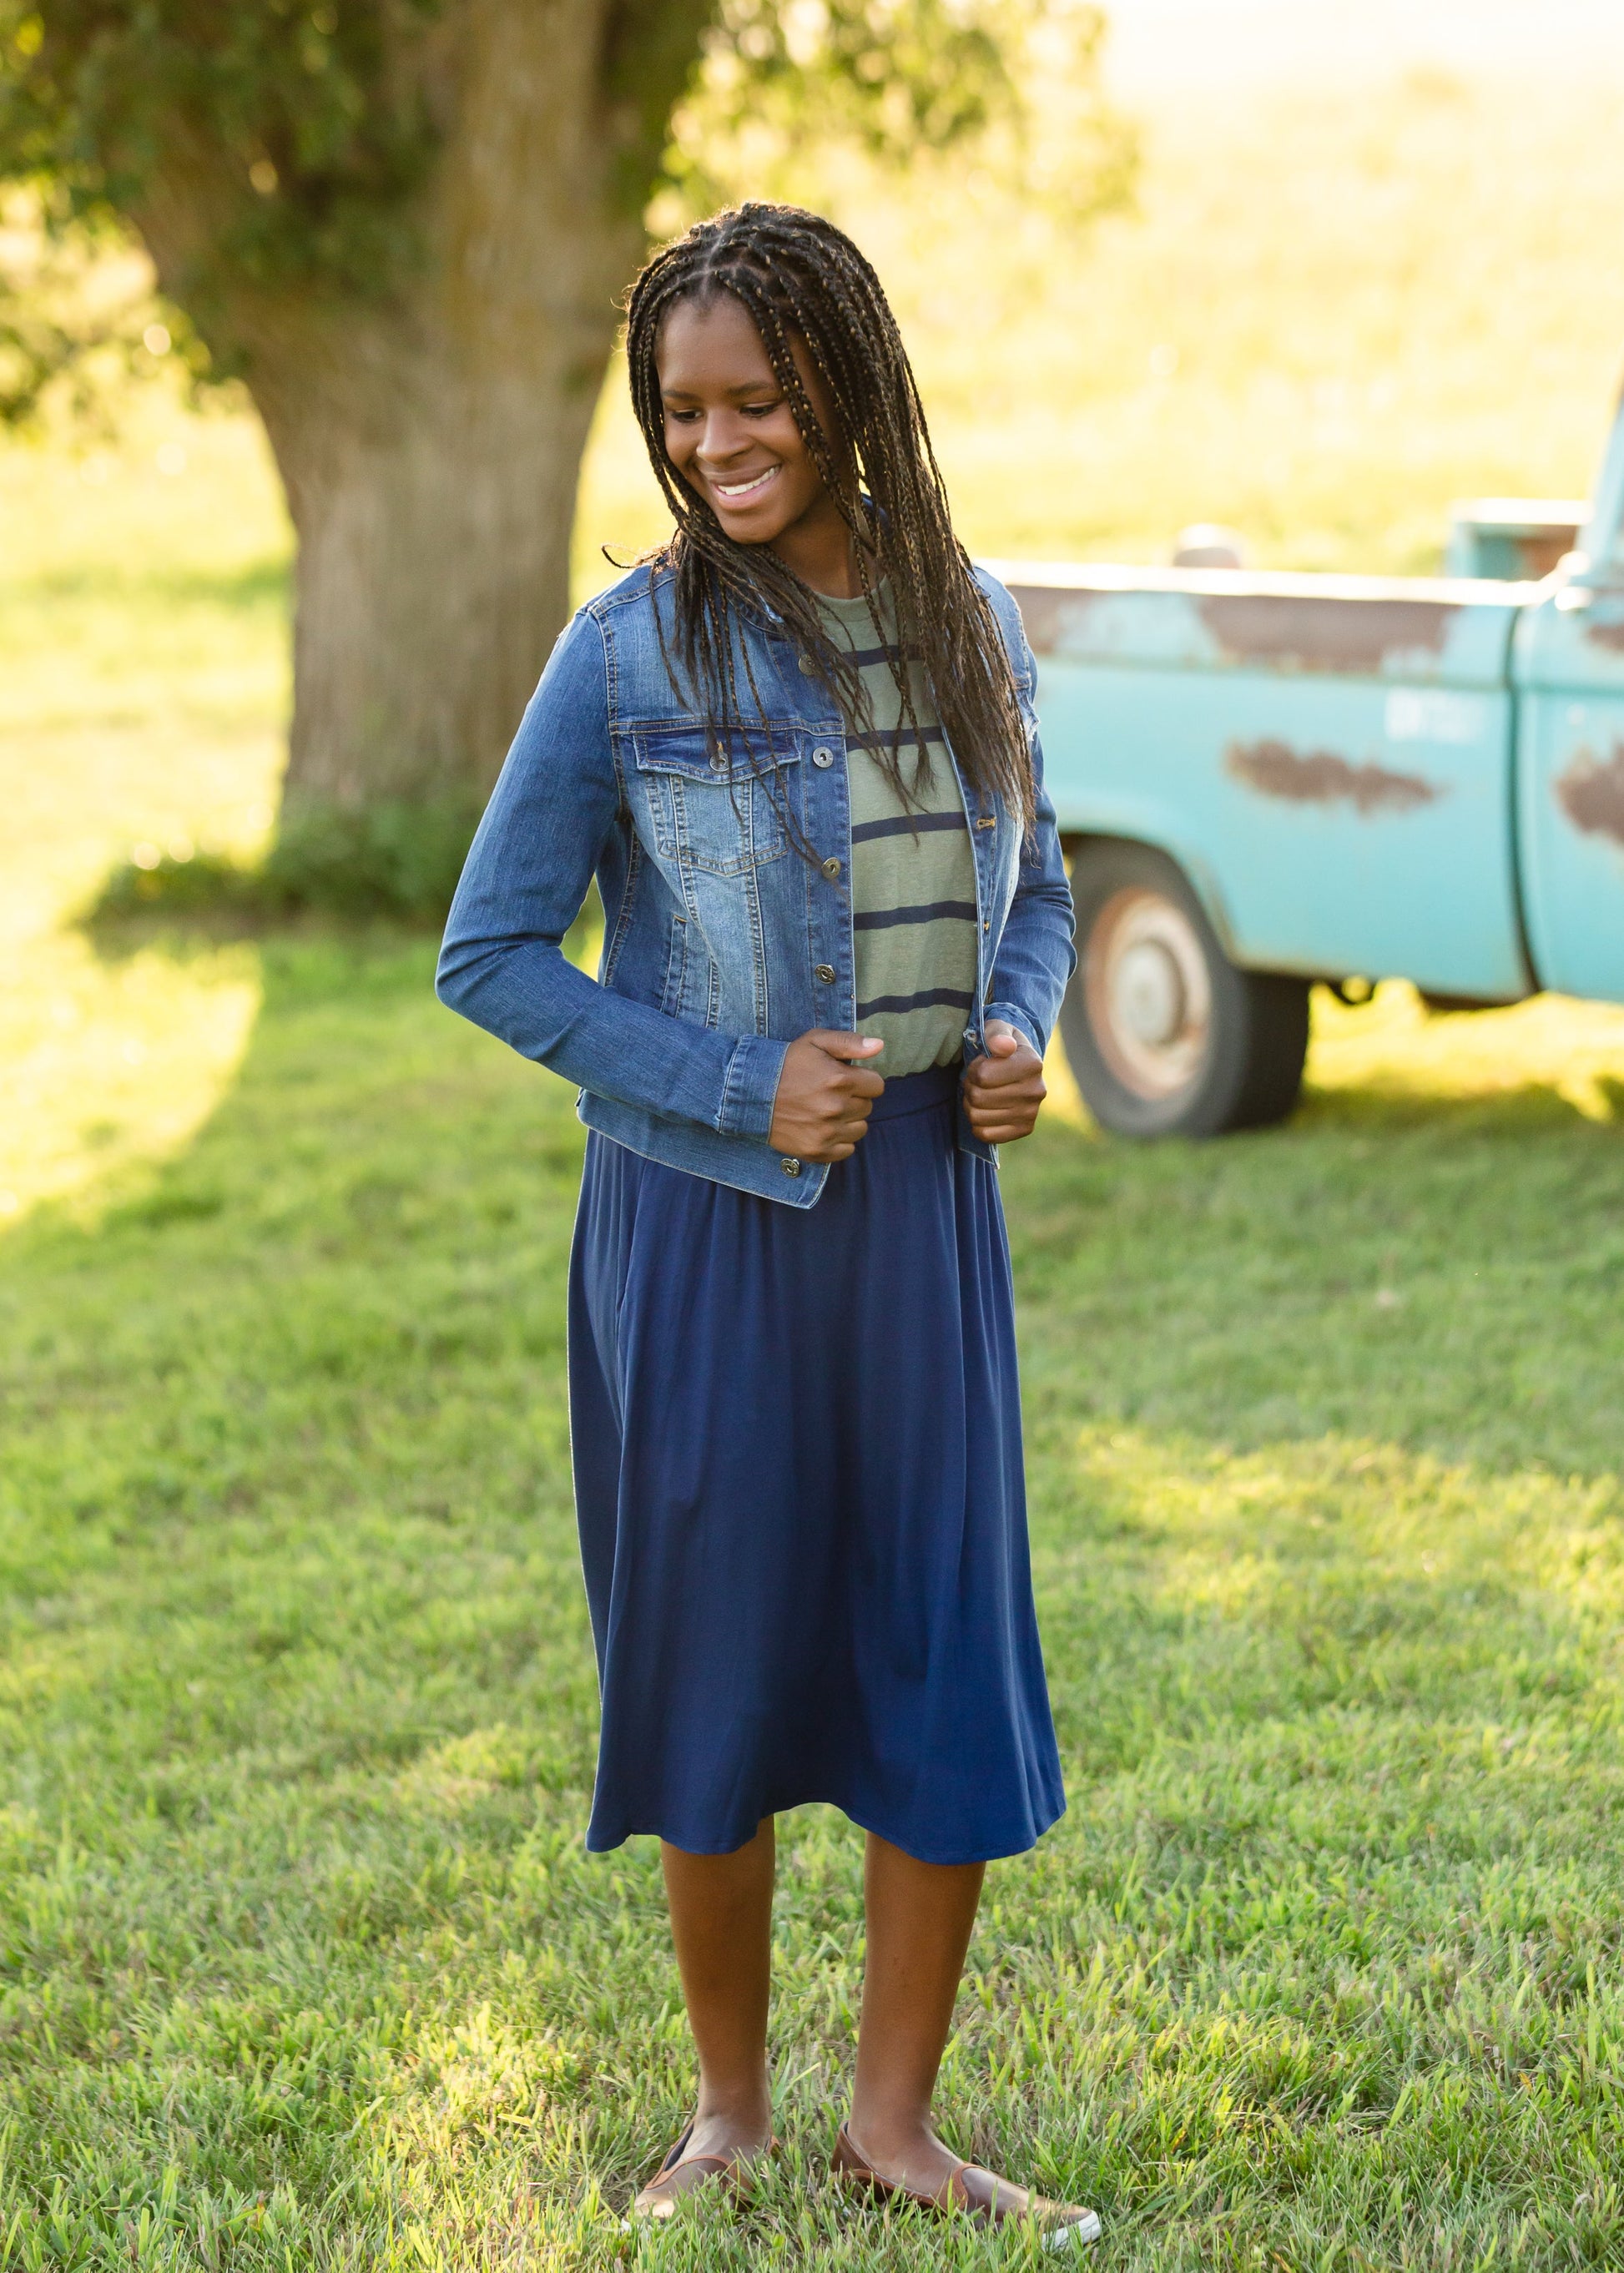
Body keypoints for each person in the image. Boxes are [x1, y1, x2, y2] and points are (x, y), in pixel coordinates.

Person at [436, 202, 1093, 2245]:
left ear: (849, 380)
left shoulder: (961, 613)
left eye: (756, 395)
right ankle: (727, 2112)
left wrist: (1010, 1029)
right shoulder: (622, 649)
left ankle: (893, 2128)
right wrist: (732, 1078)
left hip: (921, 1223)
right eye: (679, 407)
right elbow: (491, 955)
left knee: (935, 1648)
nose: (716, 439)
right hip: (704, 1226)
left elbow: (1041, 881)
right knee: (713, 1661)